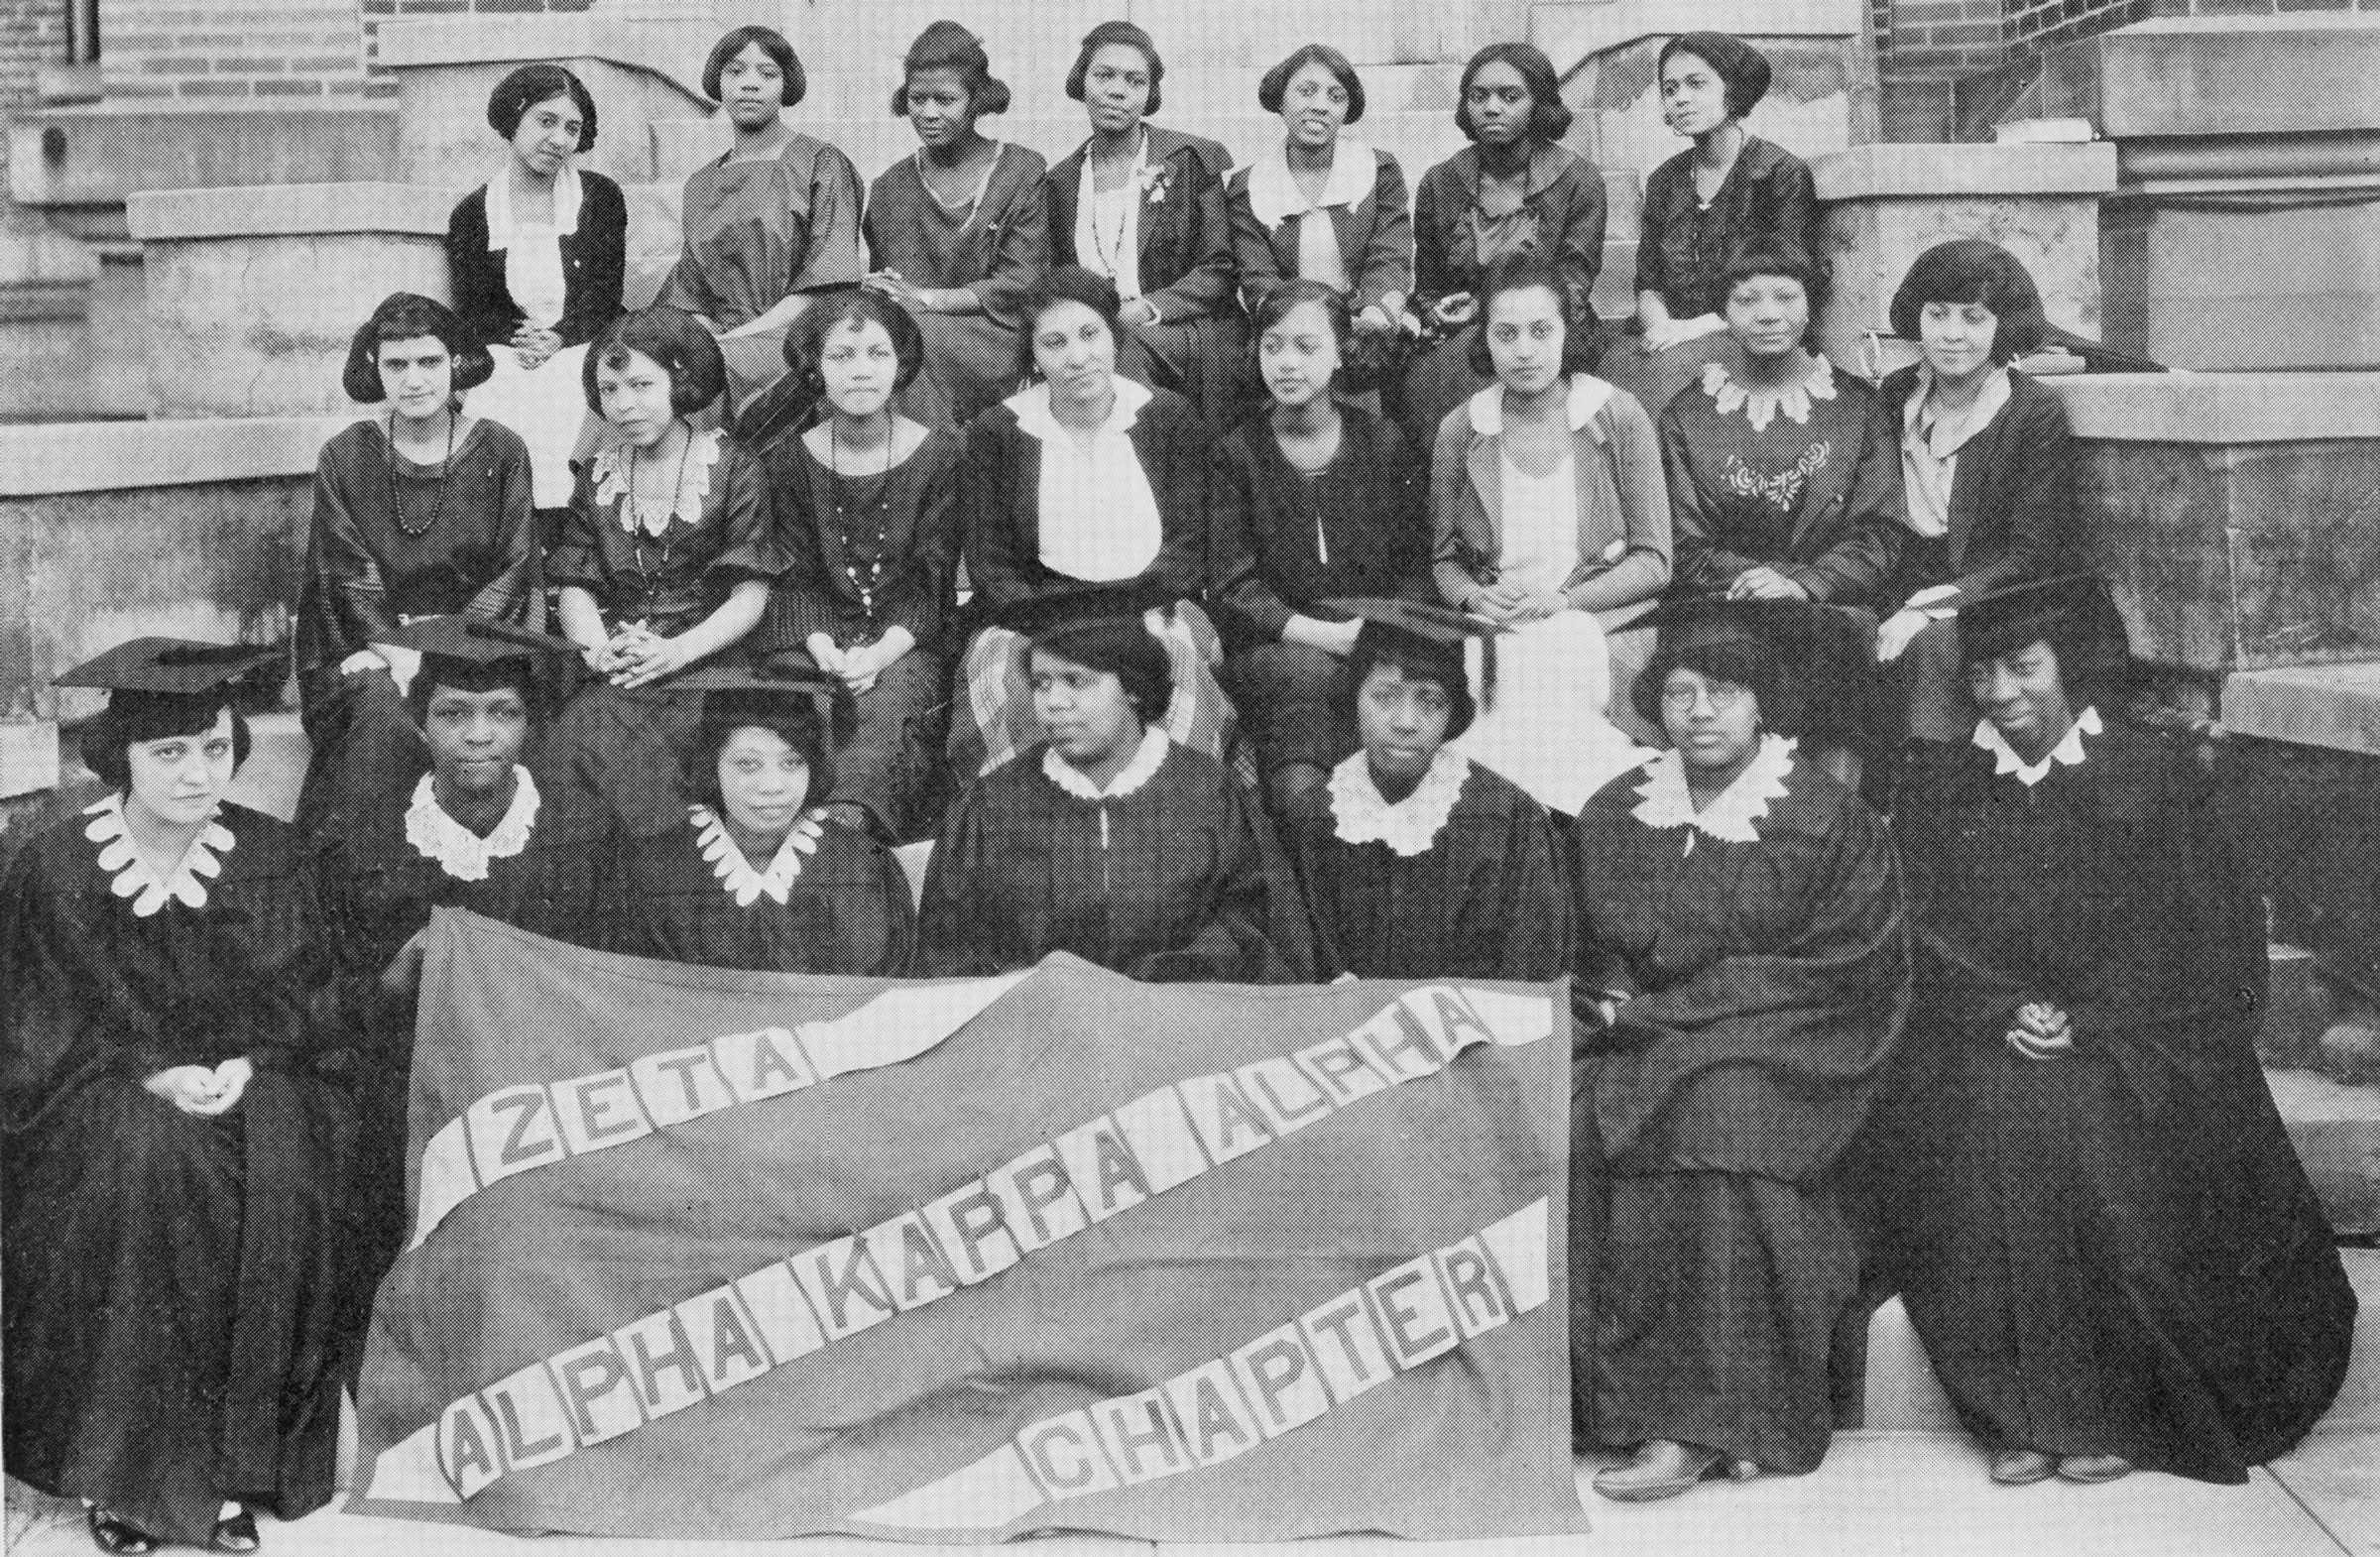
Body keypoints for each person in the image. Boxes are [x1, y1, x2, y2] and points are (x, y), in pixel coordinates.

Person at [1874, 573, 2354, 1487]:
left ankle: (2118, 1409)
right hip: (1986, 1033)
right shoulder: (1943, 789)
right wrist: (2002, 1009)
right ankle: (2022, 1411)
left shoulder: (2155, 773)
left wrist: (2092, 1023)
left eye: (2026, 667)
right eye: (1985, 675)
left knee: (2096, 1132)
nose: (2006, 693)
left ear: (2070, 665)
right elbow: (1922, 934)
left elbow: (2204, 937)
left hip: (2147, 1038)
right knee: (1991, 1127)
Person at [3, 641, 357, 1554]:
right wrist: (147, 1076)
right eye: (169, 754)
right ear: (121, 758)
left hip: (256, 1081)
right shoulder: (54, 870)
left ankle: (231, 1464)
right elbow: (31, 1036)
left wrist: (248, 1064)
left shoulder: (276, 859)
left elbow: (317, 1014)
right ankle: (129, 1475)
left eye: (213, 748)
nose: (196, 773)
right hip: (92, 1093)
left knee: (273, 1157)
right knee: (147, 1163)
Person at [1571, 597, 1909, 1500]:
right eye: (1679, 692)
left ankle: (1702, 1422)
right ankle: (1604, 1409)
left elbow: (1844, 972)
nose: (1699, 710)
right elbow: (1585, 948)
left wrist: (1686, 1023)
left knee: (1720, 1119)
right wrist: (1606, 998)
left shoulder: (1827, 818)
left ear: (1764, 704)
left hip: (1787, 1055)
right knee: (1570, 1124)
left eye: (1723, 690)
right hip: (1638, 1042)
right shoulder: (1615, 812)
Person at [314, 615, 601, 1369]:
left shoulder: (580, 832)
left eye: (503, 713)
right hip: (408, 1085)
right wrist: (401, 971)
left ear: (530, 725)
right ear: (418, 721)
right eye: (454, 713)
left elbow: (611, 987)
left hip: (539, 1080)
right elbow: (330, 998)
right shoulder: (370, 837)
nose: (480, 735)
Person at [918, 589, 1310, 982]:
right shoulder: (992, 804)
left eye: (1076, 681)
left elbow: (1255, 930)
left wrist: (1159, 982)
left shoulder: (1207, 792)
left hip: (1182, 1023)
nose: (1053, 702)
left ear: (1133, 688)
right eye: (1040, 683)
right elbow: (948, 953)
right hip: (1038, 1028)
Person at [951, 266, 1232, 779]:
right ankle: (1020, 819)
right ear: (1033, 354)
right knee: (993, 665)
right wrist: (1058, 620)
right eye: (1054, 343)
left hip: (1152, 603)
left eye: (1090, 334)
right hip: (1036, 614)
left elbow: (1190, 547)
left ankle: (1174, 816)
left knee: (1183, 651)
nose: (1077, 358)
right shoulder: (996, 433)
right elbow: (992, 566)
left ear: (1114, 335)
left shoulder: (1168, 417)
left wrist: (1128, 614)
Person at [296, 292, 536, 833]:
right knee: (380, 704)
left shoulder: (502, 450)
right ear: (375, 371)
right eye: (396, 365)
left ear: (456, 363)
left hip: (482, 644)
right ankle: (373, 882)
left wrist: (444, 650)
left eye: (429, 361)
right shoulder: (344, 456)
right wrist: (399, 653)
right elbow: (350, 581)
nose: (414, 380)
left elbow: (515, 566)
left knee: (479, 710)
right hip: (371, 647)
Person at [541, 306, 784, 839]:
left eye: (642, 385)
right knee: (584, 730)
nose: (624, 404)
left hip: (713, 658)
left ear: (683, 382)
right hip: (617, 660)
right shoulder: (597, 472)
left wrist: (677, 651)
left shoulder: (734, 466)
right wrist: (596, 648)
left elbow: (751, 591)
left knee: (697, 739)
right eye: (610, 390)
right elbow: (574, 583)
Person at [1431, 256, 1661, 812]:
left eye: (1542, 330)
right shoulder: (1463, 427)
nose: (1525, 350)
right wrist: (1472, 595)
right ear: (1485, 340)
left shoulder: (1616, 416)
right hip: (1496, 625)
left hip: (1598, 626)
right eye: (1505, 334)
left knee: (1554, 658)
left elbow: (1654, 561)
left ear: (1568, 331)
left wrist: (1561, 602)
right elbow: (1443, 559)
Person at [1211, 281, 1431, 820]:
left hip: (1380, 643)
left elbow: (1414, 562)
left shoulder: (1381, 441)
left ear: (1339, 354)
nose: (1286, 363)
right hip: (1278, 651)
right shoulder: (1237, 453)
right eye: (1272, 345)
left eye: (1306, 347)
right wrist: (1326, 635)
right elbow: (1232, 585)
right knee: (1304, 757)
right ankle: (1302, 877)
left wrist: (1382, 636)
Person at [761, 290, 963, 841]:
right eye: (841, 357)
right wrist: (822, 646)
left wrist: (880, 652)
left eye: (877, 354)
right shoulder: (786, 460)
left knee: (877, 737)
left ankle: (853, 873)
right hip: (809, 648)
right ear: (815, 369)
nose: (860, 372)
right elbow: (793, 578)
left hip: (905, 643)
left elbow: (933, 579)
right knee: (786, 749)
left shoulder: (943, 455)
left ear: (901, 364)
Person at [1288, 599, 1572, 981]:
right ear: (1353, 698)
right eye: (1385, 697)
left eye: (1431, 702)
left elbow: (1532, 969)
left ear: (1453, 713)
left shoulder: (1509, 818)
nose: (1405, 722)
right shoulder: (1314, 815)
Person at [1873, 240, 2079, 745]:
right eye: (1937, 315)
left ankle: (1939, 802)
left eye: (1973, 318)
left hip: (1998, 591)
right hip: (1898, 577)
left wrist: (1937, 605)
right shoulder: (1895, 394)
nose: (1952, 335)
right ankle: (1845, 810)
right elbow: (1870, 511)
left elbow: (2035, 550)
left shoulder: (2030, 411)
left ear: (2002, 326)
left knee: (1934, 647)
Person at [611, 665, 914, 975]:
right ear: (712, 765)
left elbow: (888, 993)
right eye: (748, 765)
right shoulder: (655, 865)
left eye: (793, 763)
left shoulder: (862, 861)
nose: (773, 786)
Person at [1400, 42, 1606, 451]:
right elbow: (1429, 282)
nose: (1492, 108)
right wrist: (1436, 310)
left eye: (1510, 97)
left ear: (1538, 104)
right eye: (1479, 97)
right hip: (1459, 331)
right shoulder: (1441, 182)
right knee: (1426, 389)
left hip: (1550, 325)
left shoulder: (1578, 179)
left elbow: (1574, 281)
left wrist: (1487, 308)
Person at [1605, 33, 1818, 417]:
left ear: (1733, 90)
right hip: (1668, 336)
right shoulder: (1664, 181)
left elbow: (1788, 282)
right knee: (1608, 377)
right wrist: (1659, 327)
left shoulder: (1778, 173)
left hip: (1750, 335)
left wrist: (1692, 330)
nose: (1680, 98)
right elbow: (1649, 280)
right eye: (1670, 90)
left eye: (1696, 84)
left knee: (1667, 382)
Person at [658, 26, 866, 419]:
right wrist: (704, 337)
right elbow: (691, 291)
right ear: (717, 82)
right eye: (735, 72)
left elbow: (827, 281)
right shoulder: (701, 183)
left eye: (767, 74)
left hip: (798, 335)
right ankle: (601, 479)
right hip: (721, 337)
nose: (749, 84)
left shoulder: (820, 163)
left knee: (701, 377)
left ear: (787, 85)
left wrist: (733, 340)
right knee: (641, 369)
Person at [445, 62, 626, 511]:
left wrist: (559, 337)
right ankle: (515, 534)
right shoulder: (473, 212)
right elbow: (475, 308)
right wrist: (522, 342)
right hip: (511, 347)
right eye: (546, 122)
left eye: (572, 128)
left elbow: (604, 293)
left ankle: (573, 526)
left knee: (580, 380)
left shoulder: (599, 197)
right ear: (513, 120)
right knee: (496, 384)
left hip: (584, 337)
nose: (560, 139)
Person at [1045, 21, 1243, 423]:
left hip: (1188, 327)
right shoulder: (1061, 181)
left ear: (1149, 93)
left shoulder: (1189, 160)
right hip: (1094, 332)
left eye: (1134, 81)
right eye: (1104, 76)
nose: (1117, 91)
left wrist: (1146, 308)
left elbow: (1219, 269)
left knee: (1119, 359)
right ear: (1081, 81)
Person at [863, 21, 1048, 428]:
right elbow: (890, 288)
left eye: (944, 100)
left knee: (908, 338)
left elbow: (1023, 282)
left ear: (975, 99)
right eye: (918, 99)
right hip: (907, 335)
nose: (928, 113)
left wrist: (931, 300)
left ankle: (934, 465)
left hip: (996, 335)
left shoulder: (1021, 170)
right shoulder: (888, 188)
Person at [1228, 43, 1414, 395]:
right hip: (1288, 334)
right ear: (1281, 101)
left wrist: (1375, 311)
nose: (1319, 106)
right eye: (1306, 91)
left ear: (1345, 110)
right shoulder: (1251, 185)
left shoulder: (1377, 170)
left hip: (1365, 332)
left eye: (1335, 96)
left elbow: (1390, 256)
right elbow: (1258, 277)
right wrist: (1305, 329)